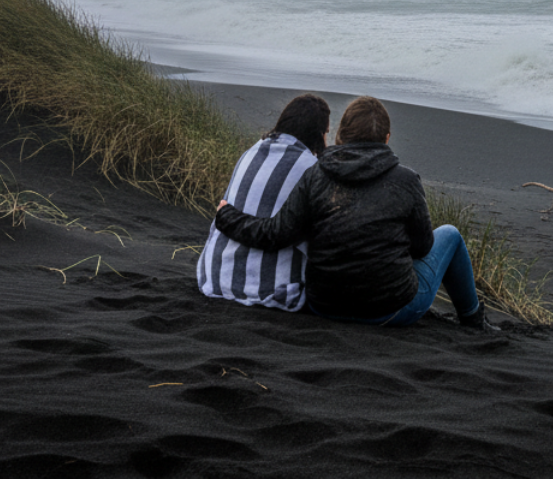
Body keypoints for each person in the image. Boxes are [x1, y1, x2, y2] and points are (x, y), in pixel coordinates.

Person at [213, 95, 493, 330]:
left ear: (339, 135)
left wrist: (227, 216)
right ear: (387, 137)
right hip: (391, 310)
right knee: (451, 236)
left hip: (323, 307)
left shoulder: (315, 175)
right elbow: (423, 247)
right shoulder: (406, 180)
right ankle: (473, 319)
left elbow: (275, 234)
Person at [196, 93, 331, 311]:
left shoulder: (250, 153)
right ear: (319, 134)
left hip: (213, 278)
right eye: (326, 133)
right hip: (271, 291)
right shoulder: (310, 168)